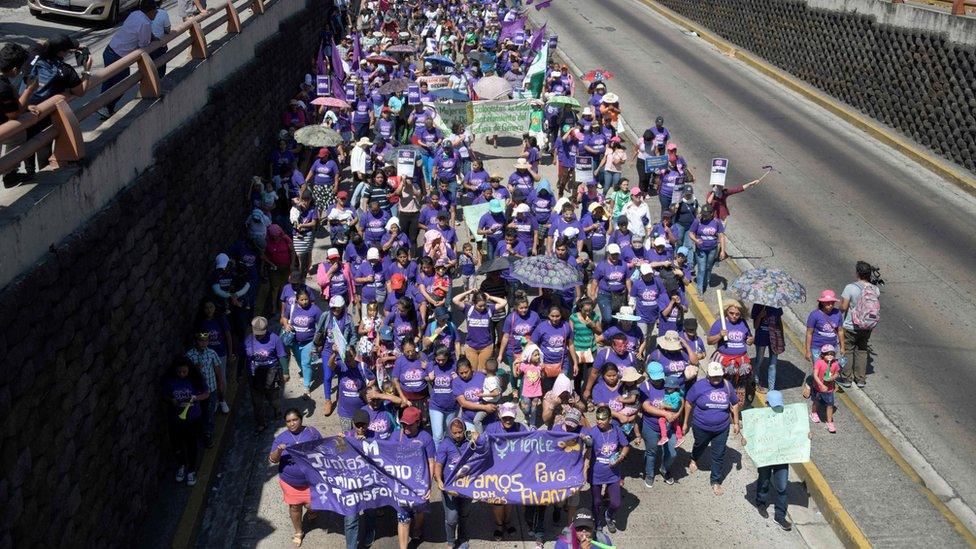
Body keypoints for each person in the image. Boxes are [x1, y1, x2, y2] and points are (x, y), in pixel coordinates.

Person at [683, 361, 740, 496]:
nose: (716, 379)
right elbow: (688, 403)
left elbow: (735, 403)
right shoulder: (699, 386)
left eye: (719, 376)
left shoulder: (727, 385)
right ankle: (694, 458)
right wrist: (685, 422)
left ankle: (715, 481)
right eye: (714, 376)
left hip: (721, 428)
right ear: (708, 375)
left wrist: (736, 423)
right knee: (699, 444)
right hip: (701, 426)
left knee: (719, 455)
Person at [268, 409, 323, 547]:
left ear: (301, 419)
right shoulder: (281, 438)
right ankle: (298, 532)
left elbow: (323, 449)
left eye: (295, 420)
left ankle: (311, 510)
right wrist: (279, 451)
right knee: (295, 507)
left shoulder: (311, 433)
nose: (292, 423)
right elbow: (273, 459)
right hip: (290, 483)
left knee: (312, 504)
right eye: (288, 421)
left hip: (311, 481)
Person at [745, 390, 797, 531]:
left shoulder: (787, 416)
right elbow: (751, 435)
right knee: (764, 480)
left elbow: (796, 433)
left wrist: (806, 435)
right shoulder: (758, 417)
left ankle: (780, 515)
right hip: (766, 457)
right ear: (766, 403)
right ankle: (761, 502)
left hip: (781, 457)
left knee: (782, 486)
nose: (776, 408)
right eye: (773, 405)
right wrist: (746, 439)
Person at [99, 0, 157, 118]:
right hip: (119, 57)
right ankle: (106, 107)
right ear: (150, 12)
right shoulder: (145, 23)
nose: (155, 15)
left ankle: (102, 106)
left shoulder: (135, 14)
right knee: (123, 82)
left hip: (109, 50)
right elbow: (143, 44)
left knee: (109, 81)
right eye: (155, 12)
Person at [163, 356, 210, 487]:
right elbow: (165, 395)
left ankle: (191, 470)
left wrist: (196, 398)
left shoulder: (195, 379)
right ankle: (181, 465)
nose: (182, 374)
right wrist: (171, 400)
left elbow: (206, 393)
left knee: (191, 445)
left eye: (184, 372)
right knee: (177, 445)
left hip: (193, 418)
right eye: (179, 372)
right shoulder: (170, 381)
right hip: (175, 419)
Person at [395, 406, 435, 549]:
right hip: (402, 485)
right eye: (403, 423)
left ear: (418, 423)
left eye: (409, 424)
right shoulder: (396, 435)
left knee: (419, 512)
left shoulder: (426, 438)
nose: (405, 427)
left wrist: (429, 485)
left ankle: (418, 529)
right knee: (403, 518)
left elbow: (431, 462)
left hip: (420, 484)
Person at [585, 405, 629, 533]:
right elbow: (587, 451)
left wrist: (620, 458)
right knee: (596, 502)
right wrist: (585, 468)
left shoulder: (616, 430)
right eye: (597, 418)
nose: (599, 421)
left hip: (613, 473)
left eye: (603, 419)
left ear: (610, 419)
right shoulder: (593, 432)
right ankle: (597, 522)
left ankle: (608, 516)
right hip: (596, 473)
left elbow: (625, 446)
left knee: (616, 503)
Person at [839, 261, 880, 388]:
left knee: (848, 350)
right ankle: (861, 379)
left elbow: (843, 307)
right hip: (867, 326)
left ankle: (847, 379)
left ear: (857, 273)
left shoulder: (850, 288)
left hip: (851, 325)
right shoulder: (875, 289)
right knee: (862, 350)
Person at [434, 418, 472, 549]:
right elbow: (438, 464)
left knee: (464, 513)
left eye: (460, 432)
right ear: (450, 432)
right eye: (455, 433)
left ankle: (462, 538)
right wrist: (439, 480)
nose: (458, 435)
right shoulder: (445, 444)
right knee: (451, 517)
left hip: (467, 486)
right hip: (449, 487)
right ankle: (450, 542)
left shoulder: (470, 442)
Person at [246, 316, 287, 432]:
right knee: (257, 402)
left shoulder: (275, 339)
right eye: (257, 333)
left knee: (273, 398)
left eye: (261, 333)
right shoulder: (248, 340)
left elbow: (282, 355)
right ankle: (261, 422)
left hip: (271, 374)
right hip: (254, 376)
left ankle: (277, 411)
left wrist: (285, 372)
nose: (259, 336)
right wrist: (239, 373)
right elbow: (243, 357)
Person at [185, 331, 225, 447]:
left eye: (205, 341)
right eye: (200, 341)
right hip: (197, 391)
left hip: (211, 389)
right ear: (195, 341)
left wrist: (220, 383)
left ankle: (208, 434)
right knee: (197, 413)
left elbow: (217, 369)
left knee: (209, 412)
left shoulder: (212, 353)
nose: (203, 343)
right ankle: (198, 433)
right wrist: (195, 369)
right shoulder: (189, 356)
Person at [282, 288, 322, 399]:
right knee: (299, 360)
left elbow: (322, 322)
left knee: (306, 363)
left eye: (306, 299)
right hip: (294, 342)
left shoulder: (315, 309)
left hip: (309, 342)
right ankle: (305, 373)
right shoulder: (291, 307)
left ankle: (306, 387)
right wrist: (286, 325)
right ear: (296, 299)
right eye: (301, 299)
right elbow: (285, 318)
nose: (304, 302)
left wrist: (319, 339)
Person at [688, 204, 726, 295]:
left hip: (712, 249)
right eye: (703, 214)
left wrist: (722, 250)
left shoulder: (717, 222)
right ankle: (700, 290)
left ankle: (705, 283)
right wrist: (695, 240)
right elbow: (691, 233)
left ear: (712, 214)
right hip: (701, 250)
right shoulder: (698, 221)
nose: (704, 216)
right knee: (701, 269)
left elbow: (721, 236)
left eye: (706, 214)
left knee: (708, 268)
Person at [804, 290, 845, 366]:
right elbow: (809, 333)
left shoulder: (837, 313)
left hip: (832, 348)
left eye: (832, 302)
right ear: (822, 302)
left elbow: (840, 331)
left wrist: (842, 347)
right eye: (827, 302)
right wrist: (808, 350)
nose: (830, 305)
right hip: (817, 347)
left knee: (829, 370)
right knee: (818, 369)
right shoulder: (814, 315)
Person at [751, 304, 784, 392]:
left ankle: (771, 389)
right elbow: (755, 326)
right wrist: (760, 316)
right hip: (761, 337)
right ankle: (756, 382)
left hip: (775, 338)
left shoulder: (777, 306)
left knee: (773, 365)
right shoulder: (757, 306)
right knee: (759, 360)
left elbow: (779, 322)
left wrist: (782, 338)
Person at [811, 344, 841, 433]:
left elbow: (837, 373)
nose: (830, 356)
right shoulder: (819, 363)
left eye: (832, 354)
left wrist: (832, 378)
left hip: (829, 389)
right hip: (818, 388)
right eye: (827, 354)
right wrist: (821, 385)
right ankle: (813, 412)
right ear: (822, 355)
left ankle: (829, 421)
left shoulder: (835, 364)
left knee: (830, 405)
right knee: (816, 401)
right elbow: (815, 375)